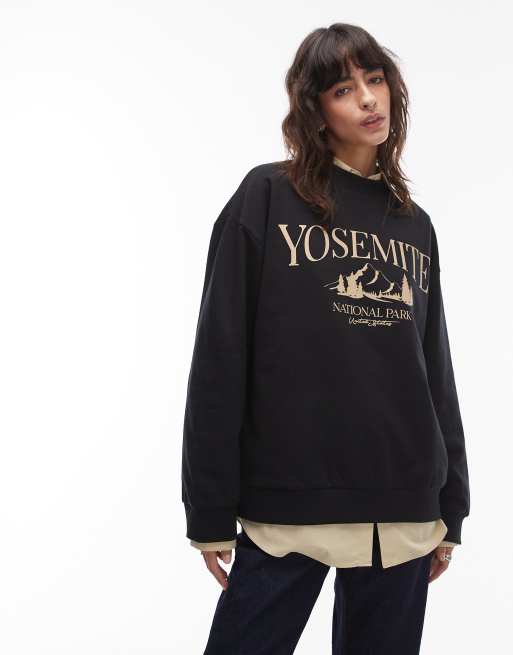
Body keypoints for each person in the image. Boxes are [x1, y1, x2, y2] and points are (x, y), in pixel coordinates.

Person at [181, 22, 470, 654]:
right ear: (315, 110)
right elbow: (220, 357)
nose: (368, 99)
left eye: (375, 80)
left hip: (403, 511)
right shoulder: (266, 196)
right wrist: (209, 507)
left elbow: (434, 368)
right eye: (343, 89)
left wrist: (451, 505)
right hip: (289, 504)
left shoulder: (414, 224)